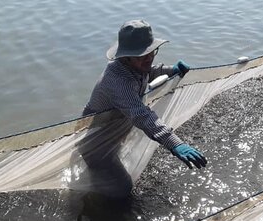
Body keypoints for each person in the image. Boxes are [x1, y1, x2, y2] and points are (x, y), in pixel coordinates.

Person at [80, 19, 207, 196]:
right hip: (96, 145)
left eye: (151, 52)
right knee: (123, 188)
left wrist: (171, 70)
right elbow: (142, 116)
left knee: (110, 177)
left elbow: (149, 71)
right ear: (126, 56)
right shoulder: (117, 82)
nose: (149, 58)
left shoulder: (135, 66)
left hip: (114, 133)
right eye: (142, 55)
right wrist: (175, 144)